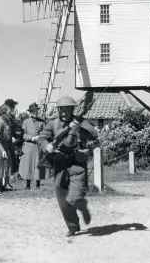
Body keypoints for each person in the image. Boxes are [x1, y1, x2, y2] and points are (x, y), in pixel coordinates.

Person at [37, 96, 98, 237]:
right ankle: (72, 226)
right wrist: (48, 146)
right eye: (61, 110)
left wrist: (79, 128)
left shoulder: (80, 121)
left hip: (77, 162)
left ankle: (82, 206)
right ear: (58, 110)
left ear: (72, 109)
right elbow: (41, 138)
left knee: (74, 196)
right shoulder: (52, 124)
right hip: (60, 162)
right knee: (62, 197)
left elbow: (94, 134)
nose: (64, 113)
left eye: (67, 109)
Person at [19, 102, 46, 190]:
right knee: (28, 165)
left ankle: (38, 185)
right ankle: (27, 185)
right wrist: (32, 138)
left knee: (39, 166)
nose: (35, 112)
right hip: (29, 146)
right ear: (30, 112)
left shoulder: (42, 122)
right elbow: (23, 135)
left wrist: (41, 136)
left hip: (38, 147)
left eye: (36, 110)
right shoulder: (26, 122)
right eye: (33, 111)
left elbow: (46, 134)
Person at [4, 98, 23, 179]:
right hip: (6, 141)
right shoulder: (4, 117)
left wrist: (21, 134)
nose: (14, 108)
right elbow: (4, 130)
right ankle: (9, 177)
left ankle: (13, 175)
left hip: (11, 142)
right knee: (8, 160)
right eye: (13, 106)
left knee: (12, 158)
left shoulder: (11, 117)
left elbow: (12, 130)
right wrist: (11, 137)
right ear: (9, 107)